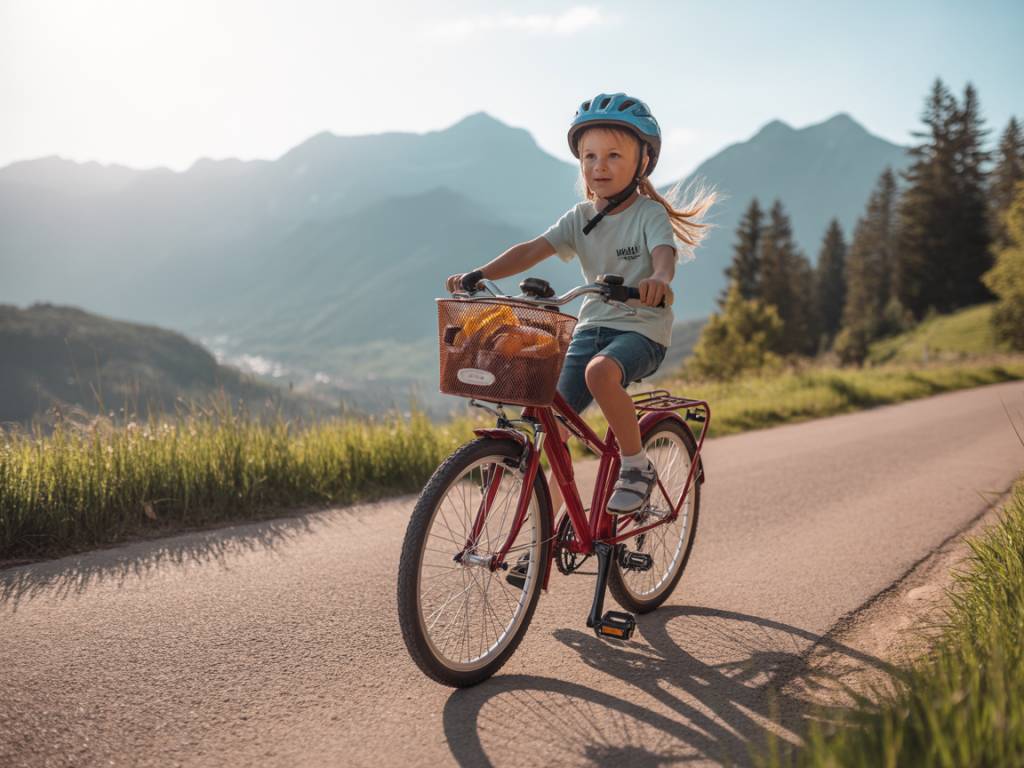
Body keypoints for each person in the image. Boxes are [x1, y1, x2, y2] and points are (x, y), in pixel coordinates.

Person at [446, 92, 716, 514]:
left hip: (641, 330)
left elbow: (664, 257)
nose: (599, 166)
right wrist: (481, 274)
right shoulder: (579, 218)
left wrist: (658, 280)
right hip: (589, 329)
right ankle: (545, 529)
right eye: (589, 157)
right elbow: (532, 249)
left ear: (642, 162)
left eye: (612, 155)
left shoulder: (648, 215)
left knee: (601, 373)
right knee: (551, 425)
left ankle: (635, 466)